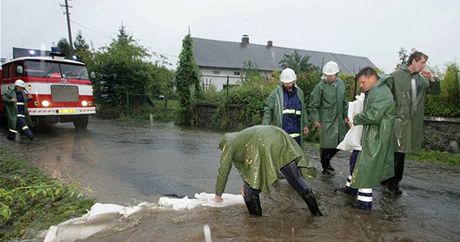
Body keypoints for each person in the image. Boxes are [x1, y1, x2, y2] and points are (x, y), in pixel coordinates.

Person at [212, 125, 322, 217]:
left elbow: (223, 169)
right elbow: (245, 166)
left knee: (249, 193)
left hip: (265, 143)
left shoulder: (228, 143)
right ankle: (317, 214)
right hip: (280, 135)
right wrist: (246, 182)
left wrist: (218, 195)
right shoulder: (242, 138)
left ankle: (256, 225)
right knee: (296, 180)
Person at [382, 51, 440, 195]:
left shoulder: (421, 80)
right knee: (395, 152)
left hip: (410, 122)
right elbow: (383, 92)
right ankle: (391, 182)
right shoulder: (396, 75)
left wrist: (432, 78)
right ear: (413, 61)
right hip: (396, 120)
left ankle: (392, 181)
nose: (423, 66)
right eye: (422, 62)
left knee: (400, 152)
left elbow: (435, 91)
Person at [345, 67, 396, 210]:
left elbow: (373, 115)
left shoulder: (381, 93)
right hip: (374, 135)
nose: (361, 86)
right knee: (366, 168)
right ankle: (363, 203)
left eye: (362, 82)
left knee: (367, 169)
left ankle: (364, 206)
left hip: (377, 137)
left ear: (372, 78)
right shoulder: (378, 91)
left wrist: (357, 117)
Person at [308, 61, 348, 175]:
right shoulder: (319, 87)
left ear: (336, 74)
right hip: (326, 120)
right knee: (326, 145)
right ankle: (325, 167)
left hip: (339, 119)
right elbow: (313, 105)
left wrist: (345, 116)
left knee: (341, 142)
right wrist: (315, 119)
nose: (329, 77)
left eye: (331, 75)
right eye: (327, 75)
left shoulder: (341, 84)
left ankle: (327, 161)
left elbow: (345, 101)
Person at [262, 68, 309, 146]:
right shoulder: (276, 93)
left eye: (289, 83)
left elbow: (303, 109)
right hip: (282, 132)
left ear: (294, 81)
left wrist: (305, 125)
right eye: (285, 83)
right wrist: (264, 127)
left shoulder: (300, 93)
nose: (287, 85)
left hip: (296, 133)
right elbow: (268, 109)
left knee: (296, 155)